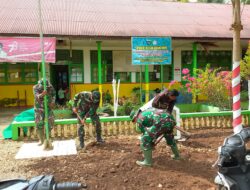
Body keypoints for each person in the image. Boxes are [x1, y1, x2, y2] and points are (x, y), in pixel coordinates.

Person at [33, 78, 56, 150]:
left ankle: (48, 138)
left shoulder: (50, 87)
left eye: (47, 86)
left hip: (48, 107)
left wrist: (53, 102)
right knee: (39, 123)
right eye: (44, 86)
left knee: (51, 121)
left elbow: (54, 95)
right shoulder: (35, 87)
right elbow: (36, 96)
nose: (47, 88)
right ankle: (41, 140)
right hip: (39, 108)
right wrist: (42, 94)